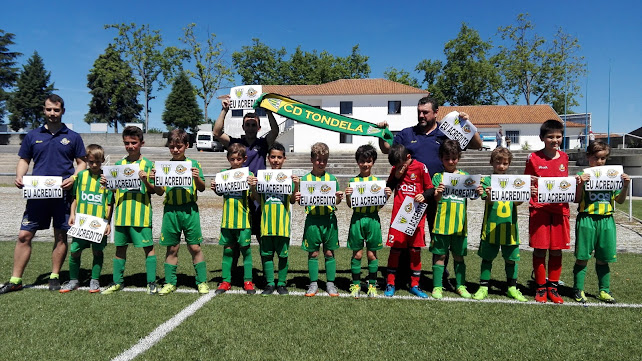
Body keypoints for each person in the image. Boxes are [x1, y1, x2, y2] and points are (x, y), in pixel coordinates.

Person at [377, 97, 482, 288]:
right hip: (414, 196)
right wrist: (381, 132)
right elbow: (387, 150)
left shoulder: (448, 130)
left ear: (436, 113)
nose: (421, 115)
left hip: (440, 193)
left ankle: (441, 277)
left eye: (425, 112)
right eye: (419, 111)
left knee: (439, 236)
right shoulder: (407, 133)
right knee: (406, 234)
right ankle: (403, 275)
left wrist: (467, 124)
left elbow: (476, 144)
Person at [0, 94, 87, 295]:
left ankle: (55, 276)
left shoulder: (73, 136)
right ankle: (15, 279)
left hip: (63, 195)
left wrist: (73, 178)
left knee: (60, 235)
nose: (52, 113)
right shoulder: (32, 136)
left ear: (62, 111)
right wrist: (20, 176)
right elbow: (24, 159)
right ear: (43, 110)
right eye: (49, 109)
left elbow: (82, 163)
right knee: (24, 235)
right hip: (37, 193)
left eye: (56, 110)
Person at [101, 126, 164, 295]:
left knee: (148, 248)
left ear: (141, 143)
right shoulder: (118, 165)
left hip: (141, 215)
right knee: (119, 249)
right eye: (127, 143)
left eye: (133, 143)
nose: (130, 146)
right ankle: (117, 282)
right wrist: (107, 185)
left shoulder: (149, 165)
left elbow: (158, 191)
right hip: (121, 215)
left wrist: (146, 181)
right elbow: (113, 193)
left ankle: (151, 282)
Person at [213, 97, 279, 242]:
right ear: (243, 127)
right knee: (238, 239)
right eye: (247, 124)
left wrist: (268, 111)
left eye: (253, 125)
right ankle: (235, 265)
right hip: (239, 195)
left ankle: (264, 264)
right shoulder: (235, 143)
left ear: (259, 128)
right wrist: (225, 110)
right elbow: (217, 133)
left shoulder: (263, 143)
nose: (250, 127)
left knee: (262, 235)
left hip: (258, 193)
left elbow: (275, 131)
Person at [573, 140, 630, 304]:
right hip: (586, 219)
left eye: (603, 158)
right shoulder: (581, 175)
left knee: (604, 258)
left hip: (606, 220)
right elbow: (577, 199)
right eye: (596, 158)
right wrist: (580, 184)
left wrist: (625, 185)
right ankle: (578, 289)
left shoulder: (613, 176)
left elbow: (619, 201)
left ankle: (604, 291)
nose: (600, 162)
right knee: (582, 257)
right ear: (588, 156)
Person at [524, 119, 572, 304]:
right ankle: (540, 287)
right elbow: (526, 182)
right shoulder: (533, 158)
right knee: (540, 249)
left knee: (557, 250)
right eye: (550, 136)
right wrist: (531, 188)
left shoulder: (565, 158)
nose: (555, 140)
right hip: (540, 210)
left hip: (560, 210)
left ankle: (553, 287)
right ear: (542, 138)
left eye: (558, 136)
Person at [156, 129, 209, 296]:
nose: (175, 150)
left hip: (189, 209)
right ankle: (170, 282)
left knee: (194, 247)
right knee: (172, 248)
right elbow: (159, 192)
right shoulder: (165, 167)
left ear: (186, 146)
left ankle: (201, 281)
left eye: (179, 146)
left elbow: (201, 188)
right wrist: (155, 179)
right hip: (171, 211)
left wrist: (196, 178)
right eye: (172, 147)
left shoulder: (194, 164)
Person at [472, 147, 527, 302]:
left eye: (505, 163)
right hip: (490, 227)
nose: (501, 166)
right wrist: (489, 194)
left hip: (509, 227)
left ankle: (512, 288)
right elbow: (486, 199)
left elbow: (518, 202)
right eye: (498, 162)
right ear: (492, 162)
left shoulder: (514, 182)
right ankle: (483, 287)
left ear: (509, 164)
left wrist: (522, 194)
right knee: (487, 259)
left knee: (511, 259)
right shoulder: (486, 181)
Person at [430, 140, 482, 299]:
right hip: (441, 225)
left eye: (454, 158)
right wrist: (438, 191)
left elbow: (473, 196)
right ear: (441, 159)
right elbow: (436, 199)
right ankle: (437, 286)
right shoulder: (438, 177)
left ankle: (460, 285)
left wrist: (478, 191)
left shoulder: (465, 177)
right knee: (440, 256)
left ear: (459, 157)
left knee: (459, 257)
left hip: (460, 225)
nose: (451, 161)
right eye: (447, 158)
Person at [60, 144, 114, 293]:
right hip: (82, 222)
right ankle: (73, 280)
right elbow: (75, 197)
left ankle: (95, 280)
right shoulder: (81, 176)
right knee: (75, 251)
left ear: (103, 160)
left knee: (97, 252)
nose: (94, 165)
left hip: (98, 223)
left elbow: (110, 202)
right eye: (91, 162)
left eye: (98, 161)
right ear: (87, 160)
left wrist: (108, 223)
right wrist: (72, 214)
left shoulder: (106, 178)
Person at [383, 144, 433, 298]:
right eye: (395, 166)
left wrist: (424, 195)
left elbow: (430, 188)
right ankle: (390, 283)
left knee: (415, 250)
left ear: (408, 158)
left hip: (416, 216)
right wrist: (394, 180)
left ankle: (415, 284)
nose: (398, 168)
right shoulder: (396, 169)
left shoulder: (420, 167)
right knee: (395, 250)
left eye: (400, 165)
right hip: (399, 216)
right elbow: (389, 186)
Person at [249, 142, 299, 295]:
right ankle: (270, 283)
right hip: (266, 224)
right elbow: (256, 198)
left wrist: (296, 186)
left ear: (284, 159)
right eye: (273, 157)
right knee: (266, 255)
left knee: (283, 255)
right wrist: (253, 187)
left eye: (279, 157)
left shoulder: (289, 178)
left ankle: (282, 283)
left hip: (283, 224)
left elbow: (291, 200)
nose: (276, 160)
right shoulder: (263, 177)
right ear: (268, 158)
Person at [344, 144, 392, 298]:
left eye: (369, 161)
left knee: (372, 255)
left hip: (373, 219)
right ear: (358, 162)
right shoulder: (353, 181)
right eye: (362, 161)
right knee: (357, 255)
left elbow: (379, 206)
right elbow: (351, 205)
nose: (365, 164)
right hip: (357, 220)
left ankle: (372, 285)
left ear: (373, 162)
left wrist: (386, 196)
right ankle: (356, 284)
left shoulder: (377, 182)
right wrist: (348, 196)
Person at [211, 143, 257, 295]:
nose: (235, 162)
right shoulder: (223, 174)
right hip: (227, 220)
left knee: (246, 251)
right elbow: (219, 193)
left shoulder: (249, 175)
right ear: (228, 159)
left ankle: (248, 281)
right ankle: (226, 281)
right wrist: (215, 188)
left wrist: (253, 187)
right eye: (232, 159)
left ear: (244, 159)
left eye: (238, 159)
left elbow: (255, 197)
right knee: (228, 251)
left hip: (244, 220)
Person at [299, 142, 344, 297]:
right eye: (318, 159)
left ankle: (330, 284)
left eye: (324, 160)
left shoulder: (332, 179)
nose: (321, 163)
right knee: (313, 253)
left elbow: (336, 202)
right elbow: (301, 201)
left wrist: (338, 198)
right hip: (312, 220)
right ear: (312, 159)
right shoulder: (305, 179)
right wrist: (299, 198)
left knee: (329, 252)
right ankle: (313, 284)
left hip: (329, 219)